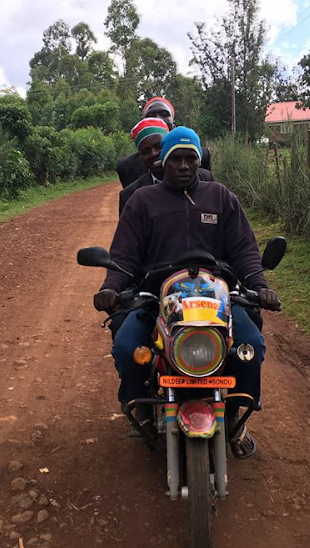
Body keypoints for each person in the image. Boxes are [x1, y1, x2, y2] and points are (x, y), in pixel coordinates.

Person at [94, 127, 279, 458]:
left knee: (251, 345)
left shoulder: (221, 197)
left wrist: (260, 286)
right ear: (163, 162)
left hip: (217, 300)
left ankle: (234, 420)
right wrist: (111, 287)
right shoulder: (141, 201)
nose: (183, 166)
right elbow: (124, 256)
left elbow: (245, 251)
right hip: (157, 300)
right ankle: (142, 411)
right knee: (126, 346)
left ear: (199, 161)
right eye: (175, 159)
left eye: (189, 158)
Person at [119, 117, 216, 215]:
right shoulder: (131, 195)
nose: (153, 153)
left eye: (159, 147)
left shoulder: (207, 179)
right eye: (146, 151)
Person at [115, 97, 212, 188]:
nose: (158, 119)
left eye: (165, 114)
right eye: (151, 116)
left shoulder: (200, 156)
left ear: (173, 124)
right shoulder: (127, 167)